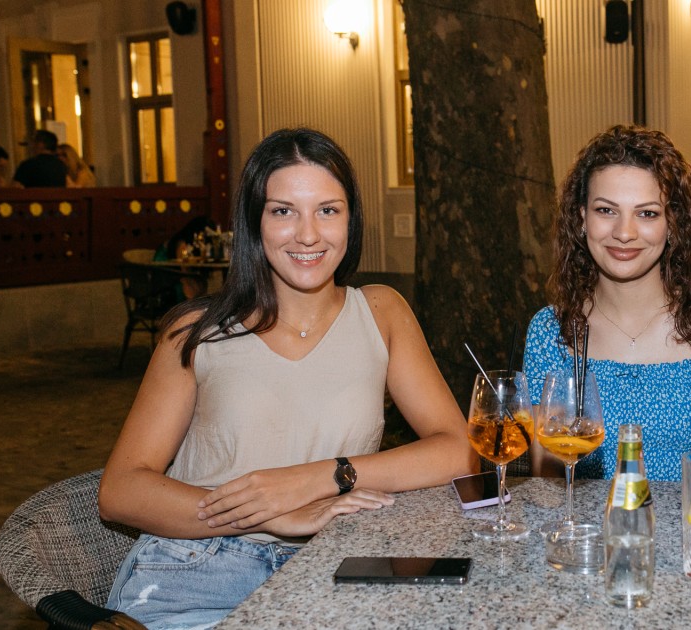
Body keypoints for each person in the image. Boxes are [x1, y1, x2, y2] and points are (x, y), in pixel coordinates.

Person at [98, 128, 476, 628]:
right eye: (283, 211)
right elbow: (121, 491)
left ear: (351, 219)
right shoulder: (196, 332)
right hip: (199, 571)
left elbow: (458, 449)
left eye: (328, 209)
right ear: (254, 223)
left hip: (332, 566)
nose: (308, 234)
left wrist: (323, 476)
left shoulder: (382, 312)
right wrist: (269, 514)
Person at [523, 125, 691, 482]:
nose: (624, 232)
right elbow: (549, 475)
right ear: (582, 218)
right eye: (606, 210)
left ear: (673, 222)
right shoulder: (550, 332)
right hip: (594, 535)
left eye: (647, 213)